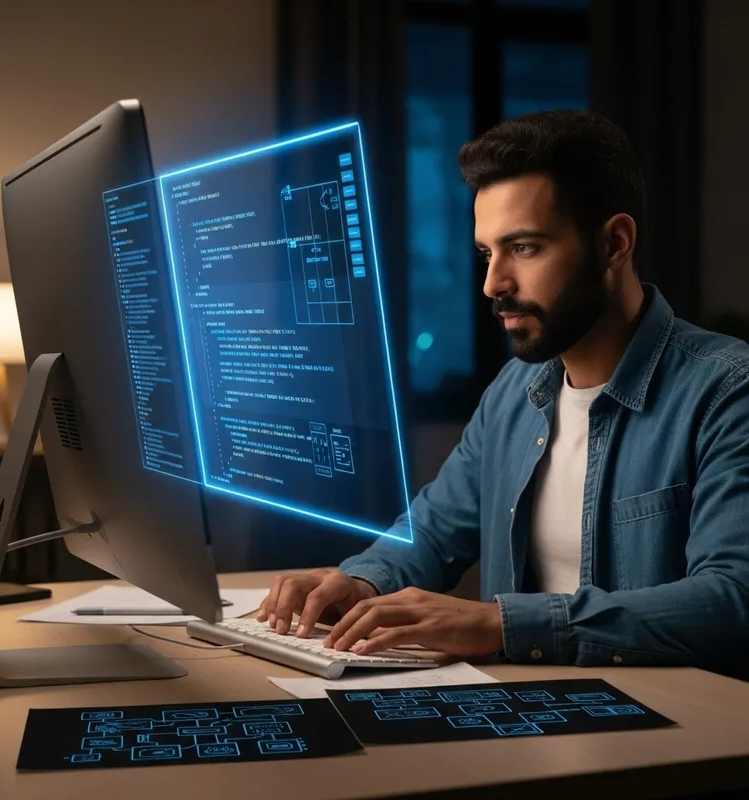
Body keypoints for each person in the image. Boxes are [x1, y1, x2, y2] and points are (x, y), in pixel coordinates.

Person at [258, 109, 749, 676]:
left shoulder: (727, 391)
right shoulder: (516, 388)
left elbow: (732, 601)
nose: (493, 285)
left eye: (525, 248)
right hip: (524, 714)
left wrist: (499, 624)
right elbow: (436, 529)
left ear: (615, 243)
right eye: (488, 254)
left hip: (675, 736)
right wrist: (360, 580)